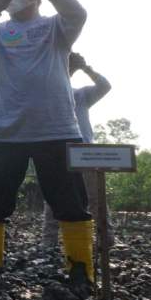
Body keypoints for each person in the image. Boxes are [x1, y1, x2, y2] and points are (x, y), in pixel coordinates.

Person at [0, 0, 93, 297]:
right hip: (2, 134)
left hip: (58, 130)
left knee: (70, 204)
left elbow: (77, 12)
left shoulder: (55, 28)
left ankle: (80, 270)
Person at [41, 52, 113, 251]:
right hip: (55, 151)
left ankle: (105, 237)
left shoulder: (80, 95)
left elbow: (105, 86)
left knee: (95, 195)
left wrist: (86, 68)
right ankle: (49, 242)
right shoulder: (46, 92)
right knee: (53, 197)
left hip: (84, 151)